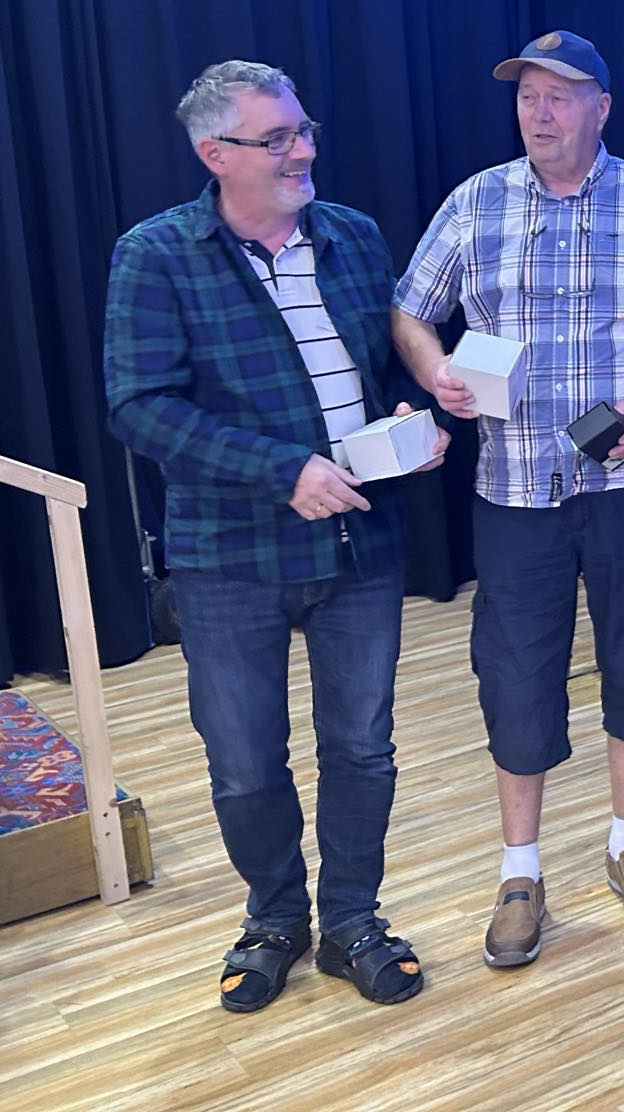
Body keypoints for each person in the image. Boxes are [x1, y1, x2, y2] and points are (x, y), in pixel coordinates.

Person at [105, 60, 448, 1012]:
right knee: (245, 759)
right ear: (214, 153)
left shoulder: (352, 236)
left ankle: (351, 921)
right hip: (228, 557)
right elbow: (139, 405)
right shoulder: (157, 255)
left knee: (362, 748)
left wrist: (405, 424)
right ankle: (273, 918)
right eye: (278, 138)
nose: (303, 151)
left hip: (358, 546)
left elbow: (377, 372)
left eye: (303, 130)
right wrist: (282, 470)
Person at [390, 29, 624, 969]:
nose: (540, 111)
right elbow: (410, 309)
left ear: (603, 106)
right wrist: (434, 369)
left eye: (561, 95)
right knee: (515, 674)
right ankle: (519, 871)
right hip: (515, 489)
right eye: (527, 95)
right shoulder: (474, 201)